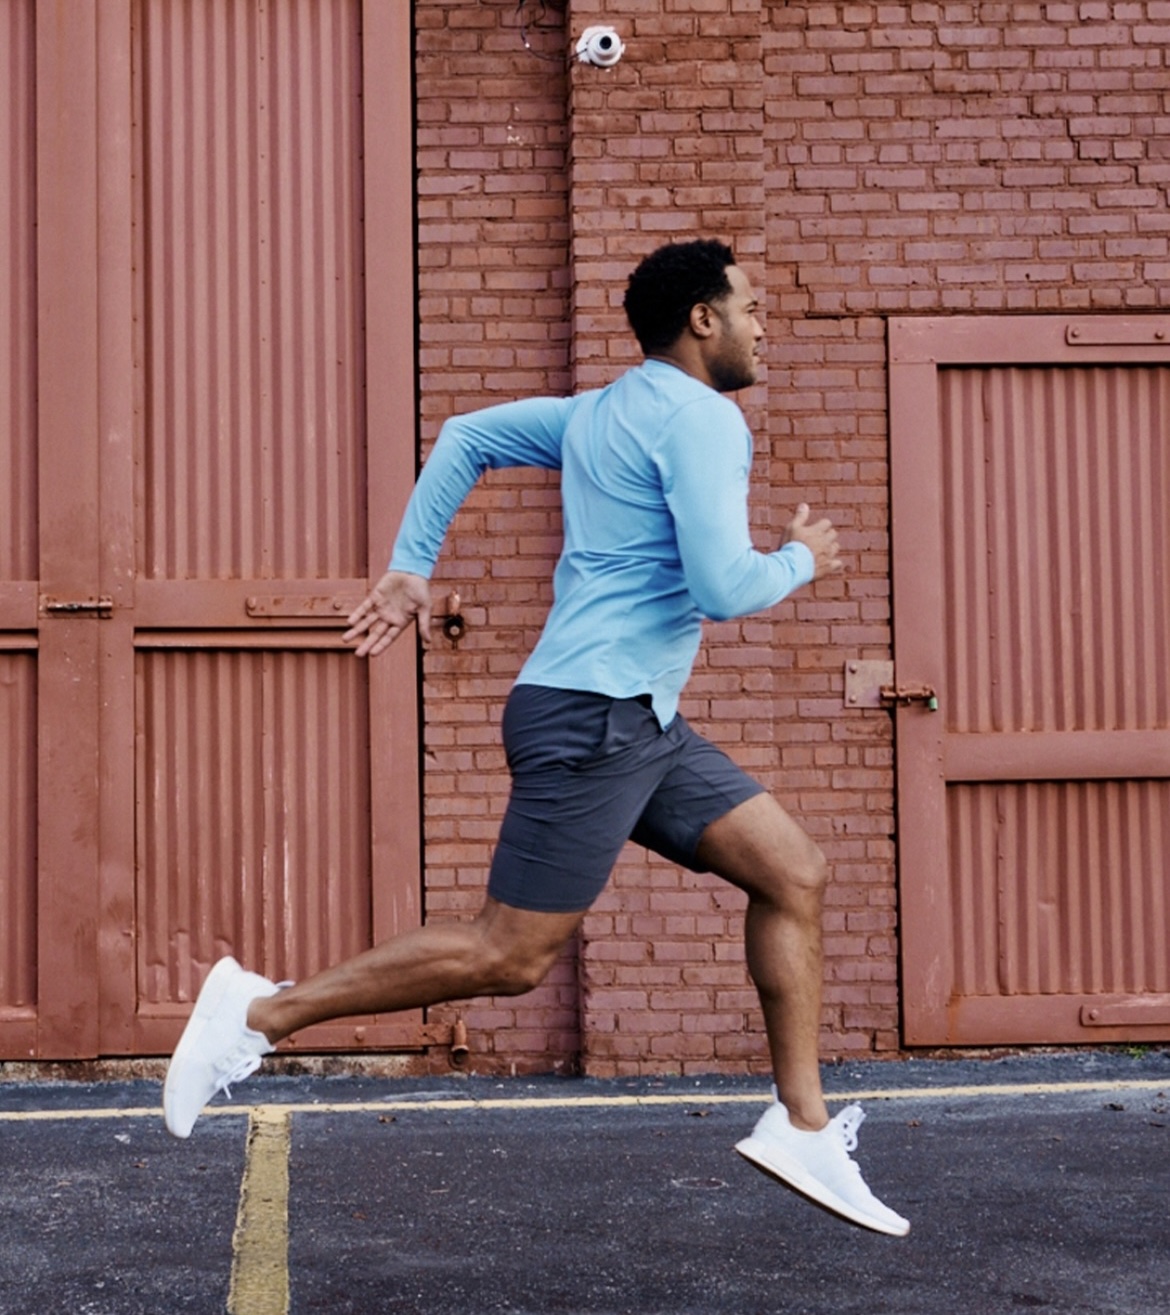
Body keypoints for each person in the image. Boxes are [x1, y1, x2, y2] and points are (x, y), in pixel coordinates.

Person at [163, 238, 909, 1237]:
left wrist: (413, 564)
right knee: (509, 954)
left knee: (793, 871)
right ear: (702, 319)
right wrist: (799, 559)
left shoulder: (599, 413)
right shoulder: (704, 419)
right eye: (751, 305)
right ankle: (255, 1014)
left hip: (630, 715)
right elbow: (724, 587)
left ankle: (802, 1123)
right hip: (596, 719)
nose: (763, 324)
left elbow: (468, 434)